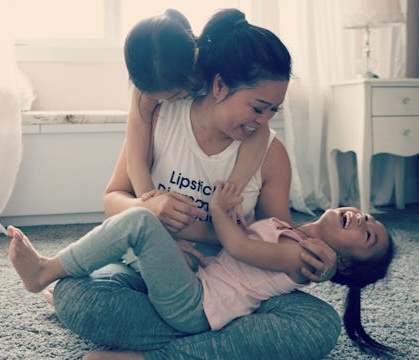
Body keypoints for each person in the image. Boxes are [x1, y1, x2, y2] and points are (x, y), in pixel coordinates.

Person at [49, 8, 342, 359]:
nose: (263, 120)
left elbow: (273, 237)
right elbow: (113, 197)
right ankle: (209, 349)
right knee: (79, 295)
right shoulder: (160, 113)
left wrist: (315, 261)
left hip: (220, 290)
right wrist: (149, 210)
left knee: (317, 323)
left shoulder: (270, 154)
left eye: (273, 111)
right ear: (219, 86)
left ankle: (153, 352)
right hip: (142, 273)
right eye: (257, 107)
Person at [7, 181, 395, 357]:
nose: (362, 219)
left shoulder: (306, 259)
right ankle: (60, 284)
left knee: (140, 223)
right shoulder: (285, 230)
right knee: (139, 234)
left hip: (197, 310)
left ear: (341, 263)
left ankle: (45, 270)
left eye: (368, 236)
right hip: (198, 288)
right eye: (368, 218)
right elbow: (246, 244)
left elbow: (239, 247)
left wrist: (220, 208)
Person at [123, 9, 270, 217]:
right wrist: (154, 210)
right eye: (158, 98)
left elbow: (261, 129)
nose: (165, 103)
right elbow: (135, 161)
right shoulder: (145, 90)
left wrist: (232, 189)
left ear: (194, 59)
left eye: (173, 95)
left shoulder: (213, 69)